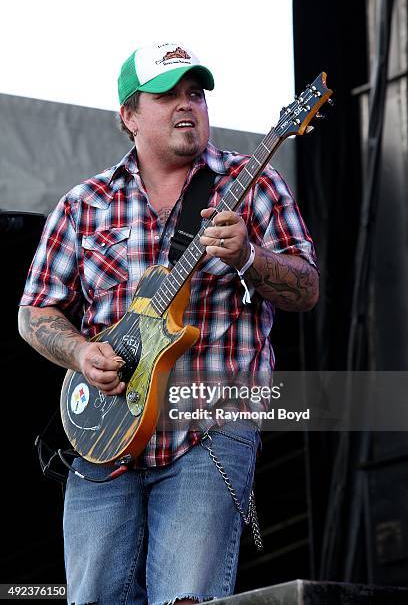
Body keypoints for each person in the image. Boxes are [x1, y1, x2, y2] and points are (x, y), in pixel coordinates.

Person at [18, 42, 319, 604]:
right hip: (103, 439)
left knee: (185, 598)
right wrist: (83, 353)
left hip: (207, 432)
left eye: (196, 93)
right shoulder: (85, 204)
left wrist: (250, 258)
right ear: (128, 115)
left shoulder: (253, 183)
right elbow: (34, 310)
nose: (189, 105)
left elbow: (307, 288)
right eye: (169, 95)